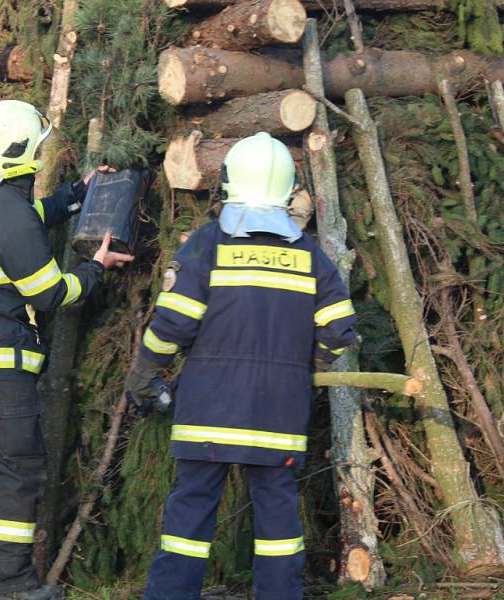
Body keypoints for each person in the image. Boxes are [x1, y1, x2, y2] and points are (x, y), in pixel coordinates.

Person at [125, 132, 358, 600]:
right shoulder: (310, 255)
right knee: (277, 517)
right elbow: (339, 330)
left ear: (230, 181)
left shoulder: (208, 244)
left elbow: (173, 322)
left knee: (189, 516)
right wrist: (304, 369)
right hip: (278, 413)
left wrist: (144, 371)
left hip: (207, 410)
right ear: (287, 187)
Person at [0, 100, 132, 600]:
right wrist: (96, 268)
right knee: (17, 472)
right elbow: (51, 294)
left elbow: (27, 221)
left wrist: (76, 195)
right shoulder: (11, 220)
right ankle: (9, 585)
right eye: (36, 143)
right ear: (21, 152)